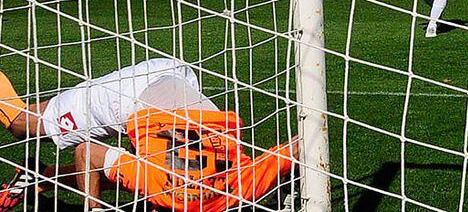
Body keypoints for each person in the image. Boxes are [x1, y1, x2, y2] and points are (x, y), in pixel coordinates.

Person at [0, 58, 299, 212]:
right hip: (124, 95)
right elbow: (85, 153)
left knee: (130, 177)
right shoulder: (159, 185)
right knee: (21, 124)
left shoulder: (238, 188)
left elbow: (295, 150)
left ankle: (38, 176)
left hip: (182, 80)